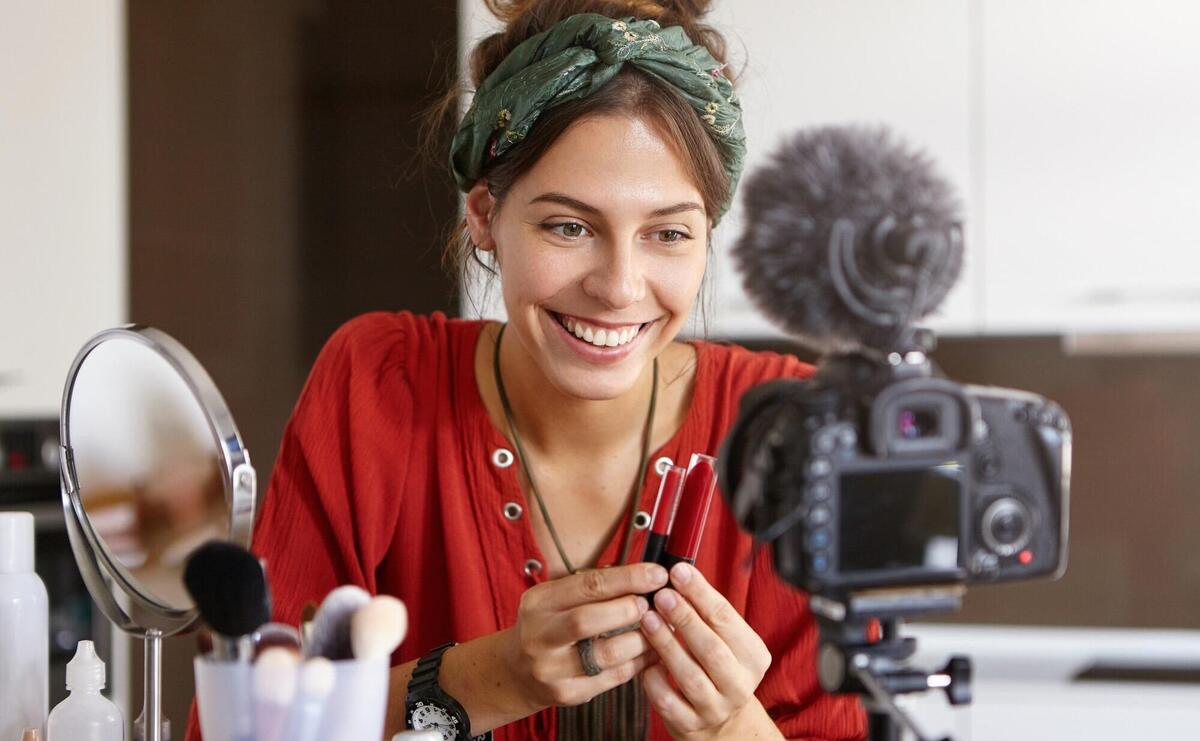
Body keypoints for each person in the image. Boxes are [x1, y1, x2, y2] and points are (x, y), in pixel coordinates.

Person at [186, 1, 866, 739]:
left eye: (668, 233)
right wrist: (494, 676)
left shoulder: (785, 430)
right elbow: (243, 726)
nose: (620, 286)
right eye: (569, 226)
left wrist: (731, 723)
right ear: (483, 215)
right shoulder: (374, 387)